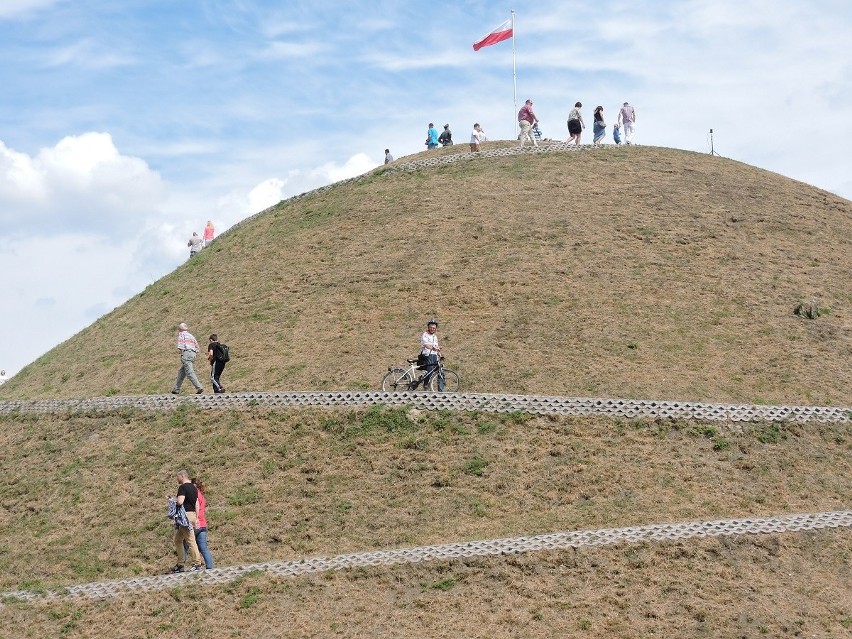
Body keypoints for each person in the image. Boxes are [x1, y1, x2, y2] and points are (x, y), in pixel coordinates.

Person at [169, 469, 204, 573]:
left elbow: (180, 501)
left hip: (186, 517)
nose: (177, 479)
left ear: (182, 476)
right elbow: (197, 503)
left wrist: (172, 500)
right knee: (178, 539)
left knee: (190, 540)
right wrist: (197, 518)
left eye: (178, 477)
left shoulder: (183, 487)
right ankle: (180, 564)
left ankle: (197, 563)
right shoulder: (194, 488)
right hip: (192, 515)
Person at [183, 477, 214, 569]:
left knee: (185, 544)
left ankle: (181, 566)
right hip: (203, 524)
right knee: (203, 548)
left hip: (195, 523)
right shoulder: (202, 495)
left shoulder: (193, 494)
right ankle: (210, 568)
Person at [171, 322, 204, 394]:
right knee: (182, 372)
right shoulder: (191, 336)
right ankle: (176, 388)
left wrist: (182, 354)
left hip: (186, 353)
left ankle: (199, 387)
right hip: (193, 354)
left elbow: (180, 346)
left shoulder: (181, 334)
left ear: (180, 329)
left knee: (189, 372)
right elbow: (197, 347)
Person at [419, 319, 441, 388]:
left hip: (434, 355)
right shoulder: (425, 335)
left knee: (439, 370)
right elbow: (426, 345)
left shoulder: (435, 336)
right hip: (427, 354)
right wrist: (433, 348)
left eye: (434, 328)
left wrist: (439, 353)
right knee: (430, 370)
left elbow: (436, 346)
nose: (432, 329)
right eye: (431, 327)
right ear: (428, 327)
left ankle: (440, 388)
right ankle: (425, 384)